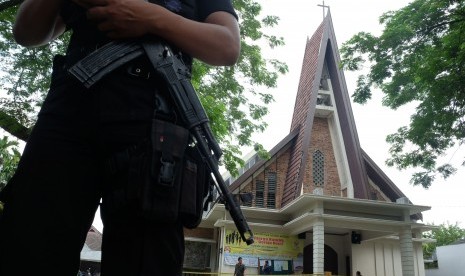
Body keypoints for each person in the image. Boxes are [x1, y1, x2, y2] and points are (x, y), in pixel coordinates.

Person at [0, 0, 240, 274]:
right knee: (27, 250)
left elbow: (227, 46)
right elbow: (26, 32)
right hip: (68, 116)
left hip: (155, 134)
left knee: (147, 261)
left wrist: (152, 18)